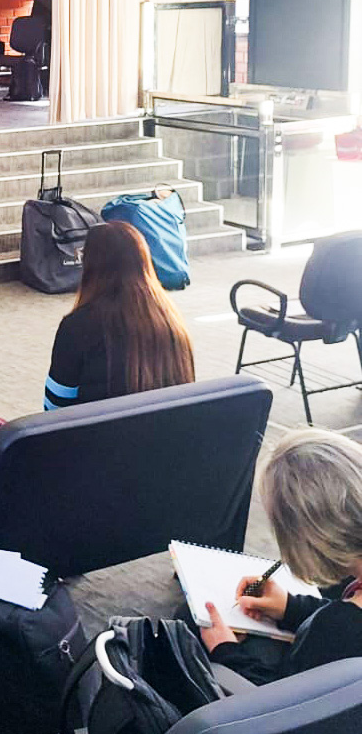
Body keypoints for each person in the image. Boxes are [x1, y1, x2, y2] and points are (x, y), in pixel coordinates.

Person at [200, 429, 362, 685]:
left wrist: (226, 652)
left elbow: (281, 709)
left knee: (192, 621)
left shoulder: (332, 632)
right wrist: (289, 607)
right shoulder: (343, 615)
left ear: (304, 537)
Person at [44, 221, 194, 410]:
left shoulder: (77, 327)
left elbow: (55, 407)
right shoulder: (170, 320)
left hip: (100, 437)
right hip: (166, 437)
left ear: (90, 266)